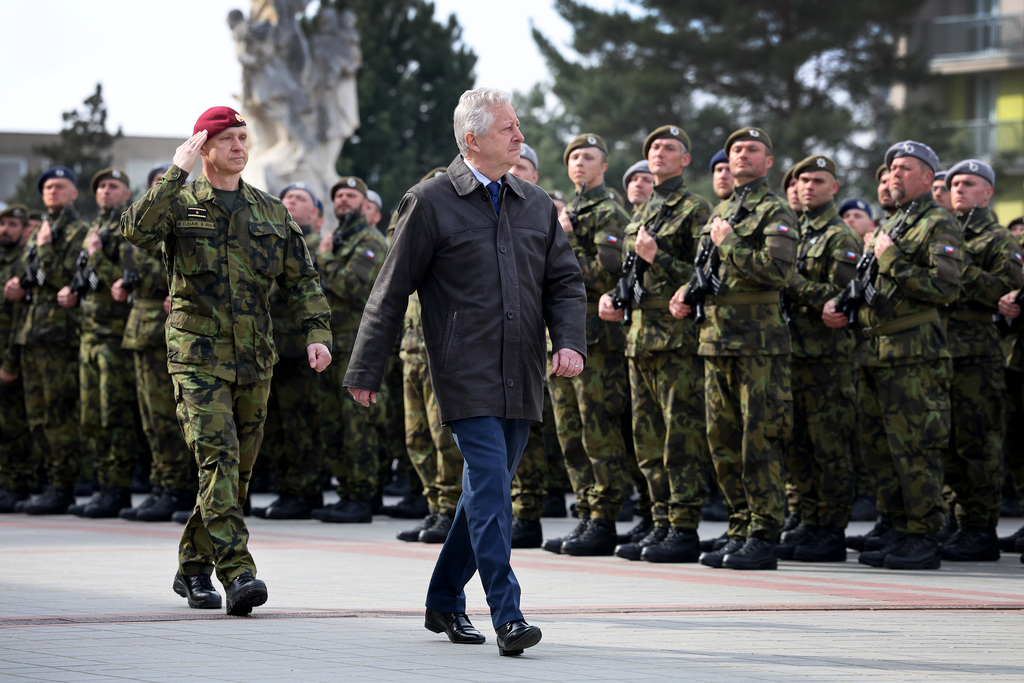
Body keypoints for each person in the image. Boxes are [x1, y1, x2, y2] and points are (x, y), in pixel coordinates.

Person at [344, 87, 586, 657]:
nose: (520, 137)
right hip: (463, 369)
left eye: (519, 127)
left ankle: (444, 598)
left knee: (485, 492)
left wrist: (569, 341)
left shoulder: (535, 203)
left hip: (522, 369)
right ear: (473, 139)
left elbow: (565, 281)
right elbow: (390, 289)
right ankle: (508, 615)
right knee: (494, 489)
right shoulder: (429, 201)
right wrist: (365, 368)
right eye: (509, 129)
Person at [120, 106, 332, 615]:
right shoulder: (179, 201)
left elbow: (301, 280)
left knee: (234, 474)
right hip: (196, 356)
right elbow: (135, 230)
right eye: (228, 139)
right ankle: (238, 573)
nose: (240, 146)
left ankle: (192, 570)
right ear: (204, 147)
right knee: (218, 459)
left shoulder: (270, 211)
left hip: (254, 358)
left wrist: (316, 332)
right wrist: (177, 171)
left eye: (244, 137)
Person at [822, 140, 961, 570]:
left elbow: (945, 288)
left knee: (916, 449)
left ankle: (923, 535)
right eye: (891, 168)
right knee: (881, 450)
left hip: (913, 356)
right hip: (874, 352)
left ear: (926, 177)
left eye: (904, 168)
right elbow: (871, 283)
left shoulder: (939, 223)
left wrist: (893, 258)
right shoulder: (893, 224)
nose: (894, 175)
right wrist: (843, 304)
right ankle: (898, 528)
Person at [669, 127, 799, 570]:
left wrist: (732, 242)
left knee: (758, 439)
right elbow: (706, 269)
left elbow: (778, 272)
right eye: (736, 149)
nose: (742, 155)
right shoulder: (724, 208)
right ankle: (740, 525)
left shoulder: (775, 208)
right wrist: (687, 292)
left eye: (752, 150)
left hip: (758, 345)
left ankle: (764, 533)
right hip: (715, 341)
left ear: (768, 162)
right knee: (721, 440)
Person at [599, 125, 713, 563]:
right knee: (647, 438)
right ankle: (661, 519)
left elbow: (702, 275)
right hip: (639, 339)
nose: (658, 153)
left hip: (676, 339)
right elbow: (632, 274)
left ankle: (683, 526)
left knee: (679, 436)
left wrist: (656, 256)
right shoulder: (645, 209)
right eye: (653, 148)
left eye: (668, 148)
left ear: (685, 160)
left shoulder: (694, 208)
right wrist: (615, 297)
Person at [542, 133, 630, 556]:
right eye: (574, 156)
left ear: (603, 166)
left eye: (588, 156)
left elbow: (604, 274)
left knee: (598, 431)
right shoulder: (568, 211)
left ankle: (605, 517)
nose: (579, 162)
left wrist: (568, 239)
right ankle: (586, 513)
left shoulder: (608, 211)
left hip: (596, 337)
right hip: (562, 336)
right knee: (571, 432)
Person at [776, 155, 861, 562]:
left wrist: (788, 280)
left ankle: (830, 529)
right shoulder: (798, 230)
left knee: (830, 448)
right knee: (798, 446)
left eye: (817, 180)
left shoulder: (840, 236)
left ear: (835, 188)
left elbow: (839, 299)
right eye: (802, 180)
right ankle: (806, 520)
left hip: (827, 359)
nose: (807, 186)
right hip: (794, 355)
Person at [939, 159, 1022, 561]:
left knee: (978, 444)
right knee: (948, 443)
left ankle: (980, 528)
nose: (959, 189)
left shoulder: (998, 240)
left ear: (987, 193)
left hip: (977, 354)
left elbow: (1009, 295)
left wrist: (960, 268)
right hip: (942, 351)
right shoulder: (945, 231)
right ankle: (958, 521)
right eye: (954, 183)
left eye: (968, 183)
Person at [3, 166, 91, 514]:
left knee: (58, 413)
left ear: (73, 192)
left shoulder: (78, 230)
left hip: (59, 334)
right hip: (32, 333)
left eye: (60, 186)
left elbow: (66, 280)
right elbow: (32, 278)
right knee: (36, 415)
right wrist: (17, 286)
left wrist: (47, 248)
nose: (53, 191)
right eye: (48, 187)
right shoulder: (43, 228)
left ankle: (62, 485)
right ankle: (43, 481)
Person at [116, 164, 197, 523]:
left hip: (184, 330)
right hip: (146, 332)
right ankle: (163, 485)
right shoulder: (144, 227)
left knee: (176, 416)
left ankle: (180, 487)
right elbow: (136, 259)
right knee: (153, 418)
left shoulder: (193, 220)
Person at [61, 168, 142, 518]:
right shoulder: (96, 229)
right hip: (89, 334)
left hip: (114, 336)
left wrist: (96, 257)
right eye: (101, 187)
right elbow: (89, 278)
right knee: (91, 416)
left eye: (113, 186)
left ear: (126, 194)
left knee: (114, 415)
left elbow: (123, 285)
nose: (106, 191)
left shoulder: (128, 230)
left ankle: (116, 489)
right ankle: (103, 485)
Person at [311, 176, 387, 524]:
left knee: (358, 425)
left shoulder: (369, 239)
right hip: (333, 346)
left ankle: (362, 495)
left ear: (363, 202)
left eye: (351, 195)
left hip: (358, 347)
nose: (343, 200)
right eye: (338, 195)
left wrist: (325, 260)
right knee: (332, 423)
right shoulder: (338, 238)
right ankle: (347, 493)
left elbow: (356, 287)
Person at [252, 181, 326, 520]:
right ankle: (286, 489)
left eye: (300, 198)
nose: (291, 202)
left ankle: (305, 490)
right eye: (286, 197)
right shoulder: (270, 242)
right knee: (276, 427)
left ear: (315, 213)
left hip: (300, 352)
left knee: (301, 426)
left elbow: (309, 288)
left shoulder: (315, 245)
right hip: (271, 349)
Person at [0, 205, 34, 512]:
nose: (5, 229)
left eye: (12, 224)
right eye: (2, 224)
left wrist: (9, 362)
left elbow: (21, 315)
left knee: (12, 424)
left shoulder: (26, 261)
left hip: (11, 352)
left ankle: (16, 483)